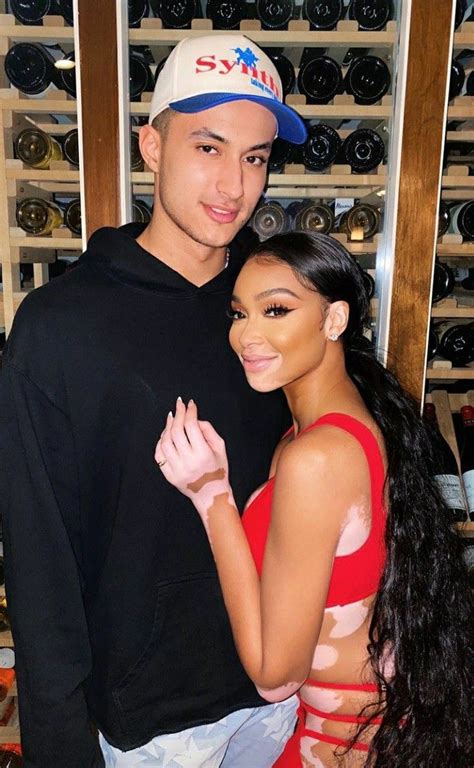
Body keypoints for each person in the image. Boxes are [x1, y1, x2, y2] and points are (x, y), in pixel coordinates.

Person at [0, 35, 307, 768]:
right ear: (151, 146)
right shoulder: (59, 326)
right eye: (208, 146)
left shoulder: (276, 311)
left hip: (282, 696)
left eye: (256, 157)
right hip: (152, 730)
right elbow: (40, 565)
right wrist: (61, 745)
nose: (234, 184)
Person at [156, 231, 473, 768]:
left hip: (343, 748)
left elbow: (275, 675)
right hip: (355, 735)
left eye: (275, 310)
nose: (246, 336)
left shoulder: (317, 457)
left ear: (334, 321)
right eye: (239, 314)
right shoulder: (336, 424)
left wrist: (212, 496)